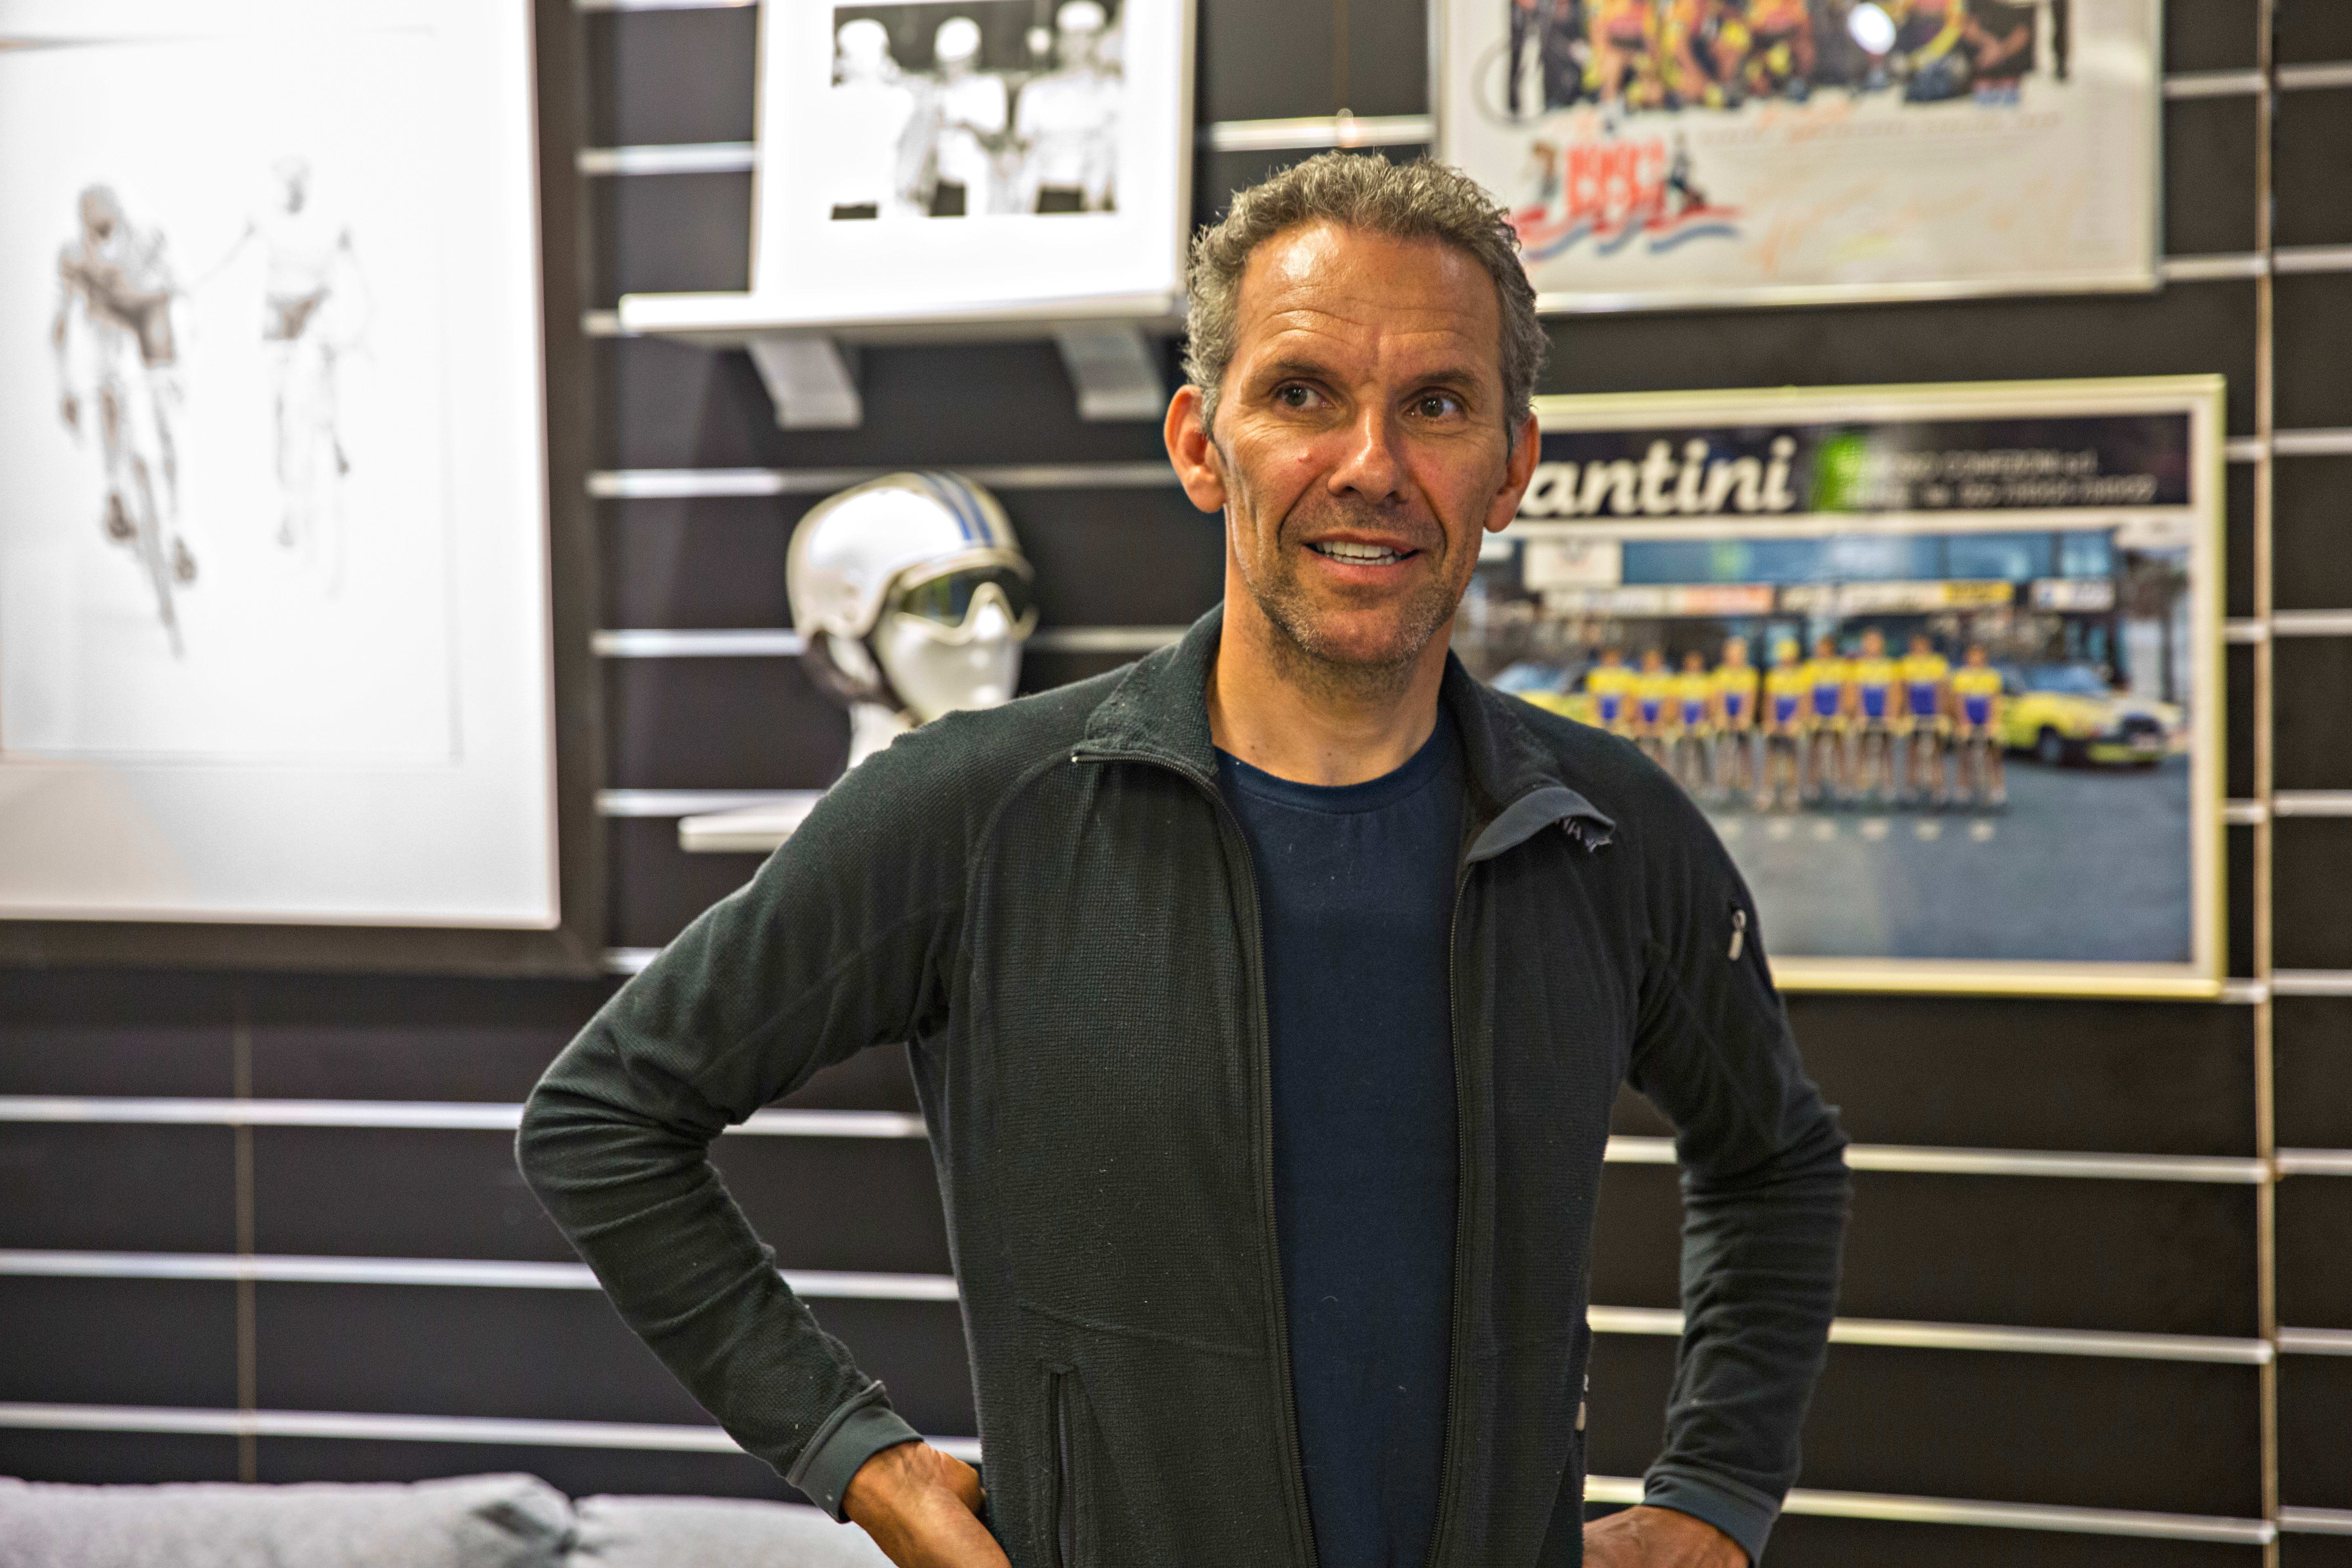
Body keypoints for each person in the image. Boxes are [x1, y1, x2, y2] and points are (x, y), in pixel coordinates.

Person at [519, 154, 1847, 1568]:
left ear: (1513, 465)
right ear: (1202, 445)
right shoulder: (981, 813)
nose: (1372, 466)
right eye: (1303, 395)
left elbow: (1777, 1158)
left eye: (1437, 405)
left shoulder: (1605, 829)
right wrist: (861, 1457)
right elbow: (604, 1119)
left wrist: (1716, 1493)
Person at [52, 184, 196, 655]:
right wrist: (67, 388)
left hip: (151, 312)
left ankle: (176, 527)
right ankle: (116, 488)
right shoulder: (74, 258)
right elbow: (61, 324)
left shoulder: (149, 237)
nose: (103, 238)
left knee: (167, 417)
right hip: (109, 325)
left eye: (109, 228)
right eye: (95, 232)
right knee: (108, 388)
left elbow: (180, 293)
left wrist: (180, 367)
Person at [1013, 1, 1120, 214]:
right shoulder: (1036, 92)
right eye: (1069, 37)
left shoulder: (1111, 92)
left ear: (1098, 41)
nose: (1075, 45)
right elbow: (1024, 150)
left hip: (1091, 199)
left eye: (1084, 37)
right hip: (1043, 196)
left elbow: (1113, 150)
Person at [829, 19, 921, 220]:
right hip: (880, 207)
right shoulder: (900, 100)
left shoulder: (832, 100)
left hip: (841, 206)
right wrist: (894, 75)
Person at [921, 18, 1010, 216]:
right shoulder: (938, 93)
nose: (952, 68)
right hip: (944, 186)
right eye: (948, 63)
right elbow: (930, 147)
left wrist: (964, 124)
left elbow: (997, 141)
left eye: (958, 62)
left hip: (976, 186)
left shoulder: (990, 87)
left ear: (972, 59)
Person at [1846, 627, 1898, 804]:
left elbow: (1894, 693)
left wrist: (1891, 715)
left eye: (1876, 643)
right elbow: (1854, 693)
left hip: (1884, 716)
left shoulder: (1890, 666)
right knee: (1862, 748)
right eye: (1869, 643)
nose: (1872, 646)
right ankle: (1861, 788)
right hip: (1864, 716)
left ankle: (1888, 787)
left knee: (1886, 749)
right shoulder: (1857, 667)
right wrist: (1857, 715)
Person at [1897, 631, 1950, 806]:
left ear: (1928, 646)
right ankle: (1910, 790)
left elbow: (1943, 690)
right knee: (1912, 753)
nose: (1919, 649)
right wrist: (1903, 714)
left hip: (1933, 715)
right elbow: (1903, 691)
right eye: (1916, 646)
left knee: (1936, 754)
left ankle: (1939, 791)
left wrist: (1942, 713)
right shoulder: (1906, 663)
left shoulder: (1938, 663)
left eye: (1923, 645)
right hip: (1914, 716)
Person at [1951, 640, 2007, 808]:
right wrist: (1963, 722)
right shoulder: (1961, 676)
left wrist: (1992, 723)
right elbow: (1959, 702)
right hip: (1967, 722)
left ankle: (1997, 789)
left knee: (1994, 753)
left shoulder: (1992, 676)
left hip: (1987, 722)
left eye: (1979, 656)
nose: (1976, 659)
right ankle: (1963, 789)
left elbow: (1995, 701)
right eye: (1972, 656)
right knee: (1964, 754)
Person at [1759, 637, 1808, 811]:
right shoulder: (1773, 676)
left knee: (1792, 757)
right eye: (1784, 658)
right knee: (1771, 756)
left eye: (1789, 658)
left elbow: (1804, 703)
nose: (1786, 662)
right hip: (1777, 724)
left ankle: (1792, 793)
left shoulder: (1802, 676)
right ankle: (1767, 792)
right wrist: (1771, 722)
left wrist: (1796, 722)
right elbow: (1769, 702)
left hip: (1794, 725)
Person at [1800, 633, 1849, 805]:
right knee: (1813, 748)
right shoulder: (1810, 667)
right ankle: (1812, 785)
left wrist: (1842, 714)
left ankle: (1843, 787)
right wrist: (1808, 717)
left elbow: (1845, 692)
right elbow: (1806, 695)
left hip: (1835, 716)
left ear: (1831, 650)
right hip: (1816, 717)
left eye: (1824, 649)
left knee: (1840, 747)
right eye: (1819, 649)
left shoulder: (1840, 667)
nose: (1821, 652)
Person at [1712, 634, 1760, 802]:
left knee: (1745, 740)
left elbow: (1750, 700)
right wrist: (1722, 718)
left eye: (1738, 654)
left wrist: (1744, 718)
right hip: (1725, 719)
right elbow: (1718, 700)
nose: (1735, 658)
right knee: (1722, 741)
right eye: (1731, 654)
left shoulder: (1750, 674)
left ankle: (1747, 784)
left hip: (1742, 719)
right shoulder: (1720, 674)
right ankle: (1722, 785)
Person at [1670, 647, 1715, 794]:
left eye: (1696, 663)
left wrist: (1701, 722)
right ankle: (1679, 779)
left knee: (1704, 740)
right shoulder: (1679, 682)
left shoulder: (1707, 681)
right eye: (1691, 663)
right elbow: (1675, 705)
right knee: (1678, 741)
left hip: (1701, 723)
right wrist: (1681, 721)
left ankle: (1705, 781)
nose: (1693, 666)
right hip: (1683, 723)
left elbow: (1710, 706)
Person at [1633, 644, 1676, 765]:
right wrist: (1640, 722)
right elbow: (1635, 704)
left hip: (1663, 721)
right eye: (1649, 662)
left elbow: (1671, 704)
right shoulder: (1637, 681)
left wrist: (1662, 722)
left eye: (1655, 662)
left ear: (1660, 663)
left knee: (1665, 737)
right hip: (1642, 720)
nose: (1652, 665)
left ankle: (1663, 767)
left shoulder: (1668, 680)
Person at [1587, 642, 1637, 734]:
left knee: (1627, 702)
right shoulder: (1596, 674)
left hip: (1621, 707)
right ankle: (1600, 731)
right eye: (1609, 657)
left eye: (1614, 657)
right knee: (1597, 702)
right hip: (1602, 707)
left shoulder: (1627, 674)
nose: (1611, 660)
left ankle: (1621, 731)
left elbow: (1632, 695)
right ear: (1603, 659)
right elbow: (1594, 695)